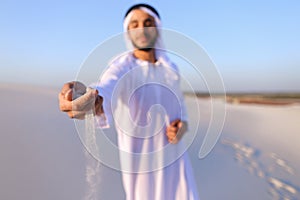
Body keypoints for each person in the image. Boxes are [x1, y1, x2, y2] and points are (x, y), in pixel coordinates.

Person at [59, 3, 199, 200]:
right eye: (134, 24)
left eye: (147, 22)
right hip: (142, 165)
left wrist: (181, 126)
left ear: (157, 29)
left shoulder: (171, 68)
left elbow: (181, 108)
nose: (141, 28)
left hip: (175, 159)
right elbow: (106, 88)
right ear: (128, 32)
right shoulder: (122, 67)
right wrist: (89, 99)